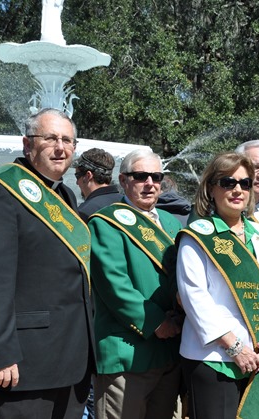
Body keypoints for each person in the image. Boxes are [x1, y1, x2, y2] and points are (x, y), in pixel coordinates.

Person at [0, 108, 94, 418]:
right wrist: (0, 352)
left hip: (70, 361)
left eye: (67, 140)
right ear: (27, 144)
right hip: (21, 365)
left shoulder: (65, 194)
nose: (60, 148)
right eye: (49, 138)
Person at [177, 152, 259, 419]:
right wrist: (235, 347)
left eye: (245, 183)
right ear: (211, 188)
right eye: (228, 182)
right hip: (213, 357)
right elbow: (194, 297)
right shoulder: (197, 236)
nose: (238, 190)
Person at [88, 149, 182, 419]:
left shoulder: (171, 223)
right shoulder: (105, 223)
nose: (150, 183)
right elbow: (114, 285)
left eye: (156, 177)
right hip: (127, 354)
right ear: (123, 180)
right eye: (140, 176)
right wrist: (157, 322)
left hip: (169, 352)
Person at [75, 148, 122, 222]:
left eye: (77, 176)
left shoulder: (84, 212)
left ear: (88, 176)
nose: (77, 182)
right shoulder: (127, 203)